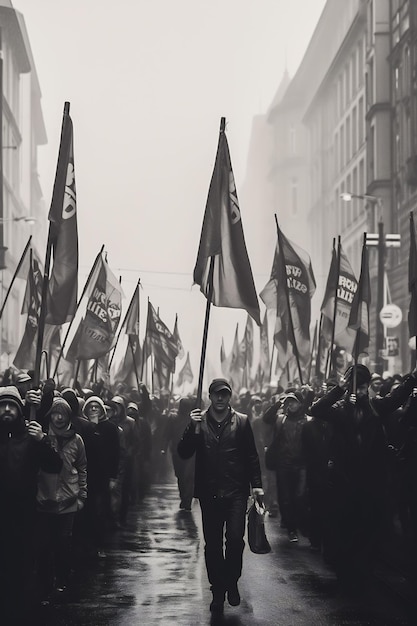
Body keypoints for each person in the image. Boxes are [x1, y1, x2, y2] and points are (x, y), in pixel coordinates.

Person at [177, 378, 264, 614]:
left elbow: (252, 456)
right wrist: (190, 427)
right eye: (216, 394)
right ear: (209, 396)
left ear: (230, 396)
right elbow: (184, 453)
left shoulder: (243, 422)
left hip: (236, 491)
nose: (220, 398)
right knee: (213, 546)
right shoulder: (199, 421)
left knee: (235, 541)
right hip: (209, 492)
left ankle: (231, 581)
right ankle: (217, 590)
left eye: (224, 394)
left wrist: (257, 486)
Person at [0, 385, 63, 621]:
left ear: (19, 410)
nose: (6, 410)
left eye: (11, 406)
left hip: (24, 514)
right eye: (2, 406)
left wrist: (43, 440)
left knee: (20, 565)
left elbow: (54, 465)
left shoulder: (31, 436)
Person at [35, 397, 87, 601]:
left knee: (63, 543)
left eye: (62, 414)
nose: (58, 418)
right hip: (43, 499)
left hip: (68, 500)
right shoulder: (42, 435)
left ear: (68, 416)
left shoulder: (77, 440)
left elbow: (82, 468)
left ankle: (63, 579)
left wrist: (82, 495)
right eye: (54, 413)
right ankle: (45, 584)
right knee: (44, 545)